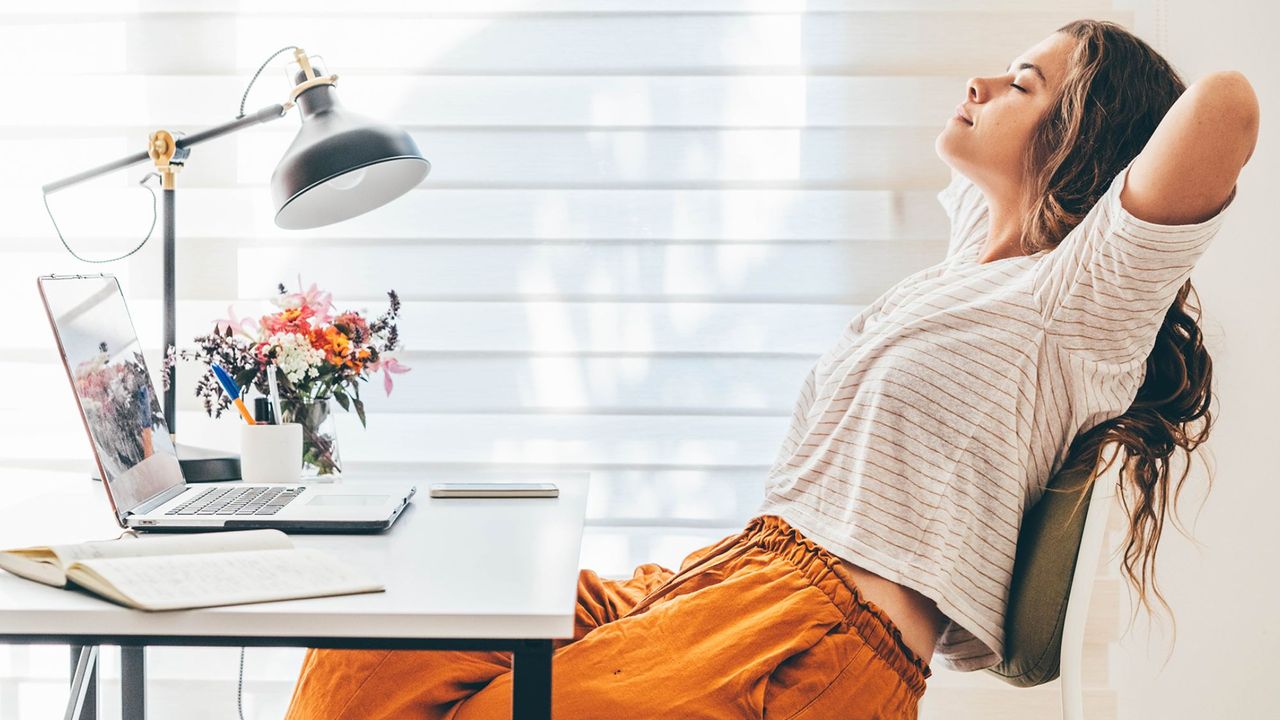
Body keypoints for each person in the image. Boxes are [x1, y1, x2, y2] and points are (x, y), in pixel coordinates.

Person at [283, 19, 1259, 719]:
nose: (978, 85)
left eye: (1022, 82)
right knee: (369, 649)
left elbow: (1224, 105)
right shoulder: (973, 262)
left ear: (1083, 137)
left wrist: (1113, 161)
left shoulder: (1080, 298)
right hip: (720, 582)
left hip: (813, 643)